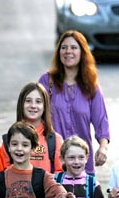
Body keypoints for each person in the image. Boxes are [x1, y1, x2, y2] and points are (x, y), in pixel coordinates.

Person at [38, 30, 110, 174]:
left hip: (81, 163)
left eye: (73, 47)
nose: (68, 51)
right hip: (53, 162)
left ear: (82, 52)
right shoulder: (47, 81)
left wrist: (103, 147)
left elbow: (101, 120)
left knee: (84, 196)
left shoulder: (91, 86)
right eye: (63, 48)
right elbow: (33, 115)